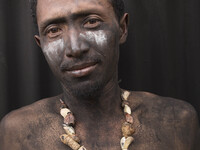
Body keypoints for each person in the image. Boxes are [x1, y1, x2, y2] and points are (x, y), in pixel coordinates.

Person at [0, 0, 199, 149]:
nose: (75, 48)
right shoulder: (17, 132)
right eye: (53, 30)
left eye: (92, 21)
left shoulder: (176, 121)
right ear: (40, 44)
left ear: (122, 28)